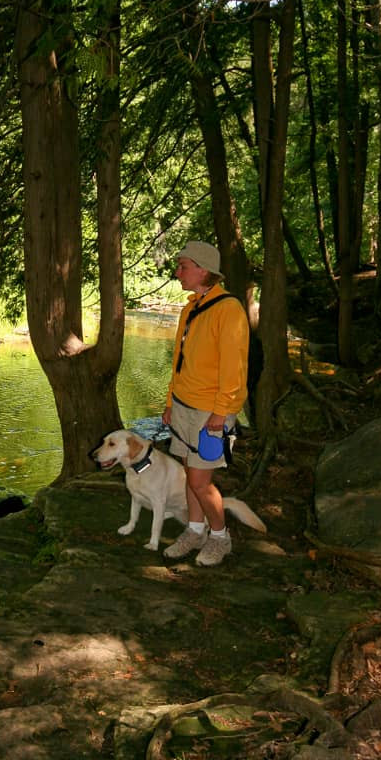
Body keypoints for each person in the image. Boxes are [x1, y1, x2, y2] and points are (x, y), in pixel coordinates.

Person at [161, 240, 250, 566]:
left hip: (210, 411)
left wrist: (223, 411)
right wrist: (171, 401)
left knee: (201, 481)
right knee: (190, 474)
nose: (177, 272)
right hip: (184, 407)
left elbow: (234, 366)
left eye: (183, 266)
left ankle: (219, 537)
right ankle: (195, 531)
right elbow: (180, 361)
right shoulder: (191, 307)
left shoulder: (228, 309)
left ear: (202, 269)